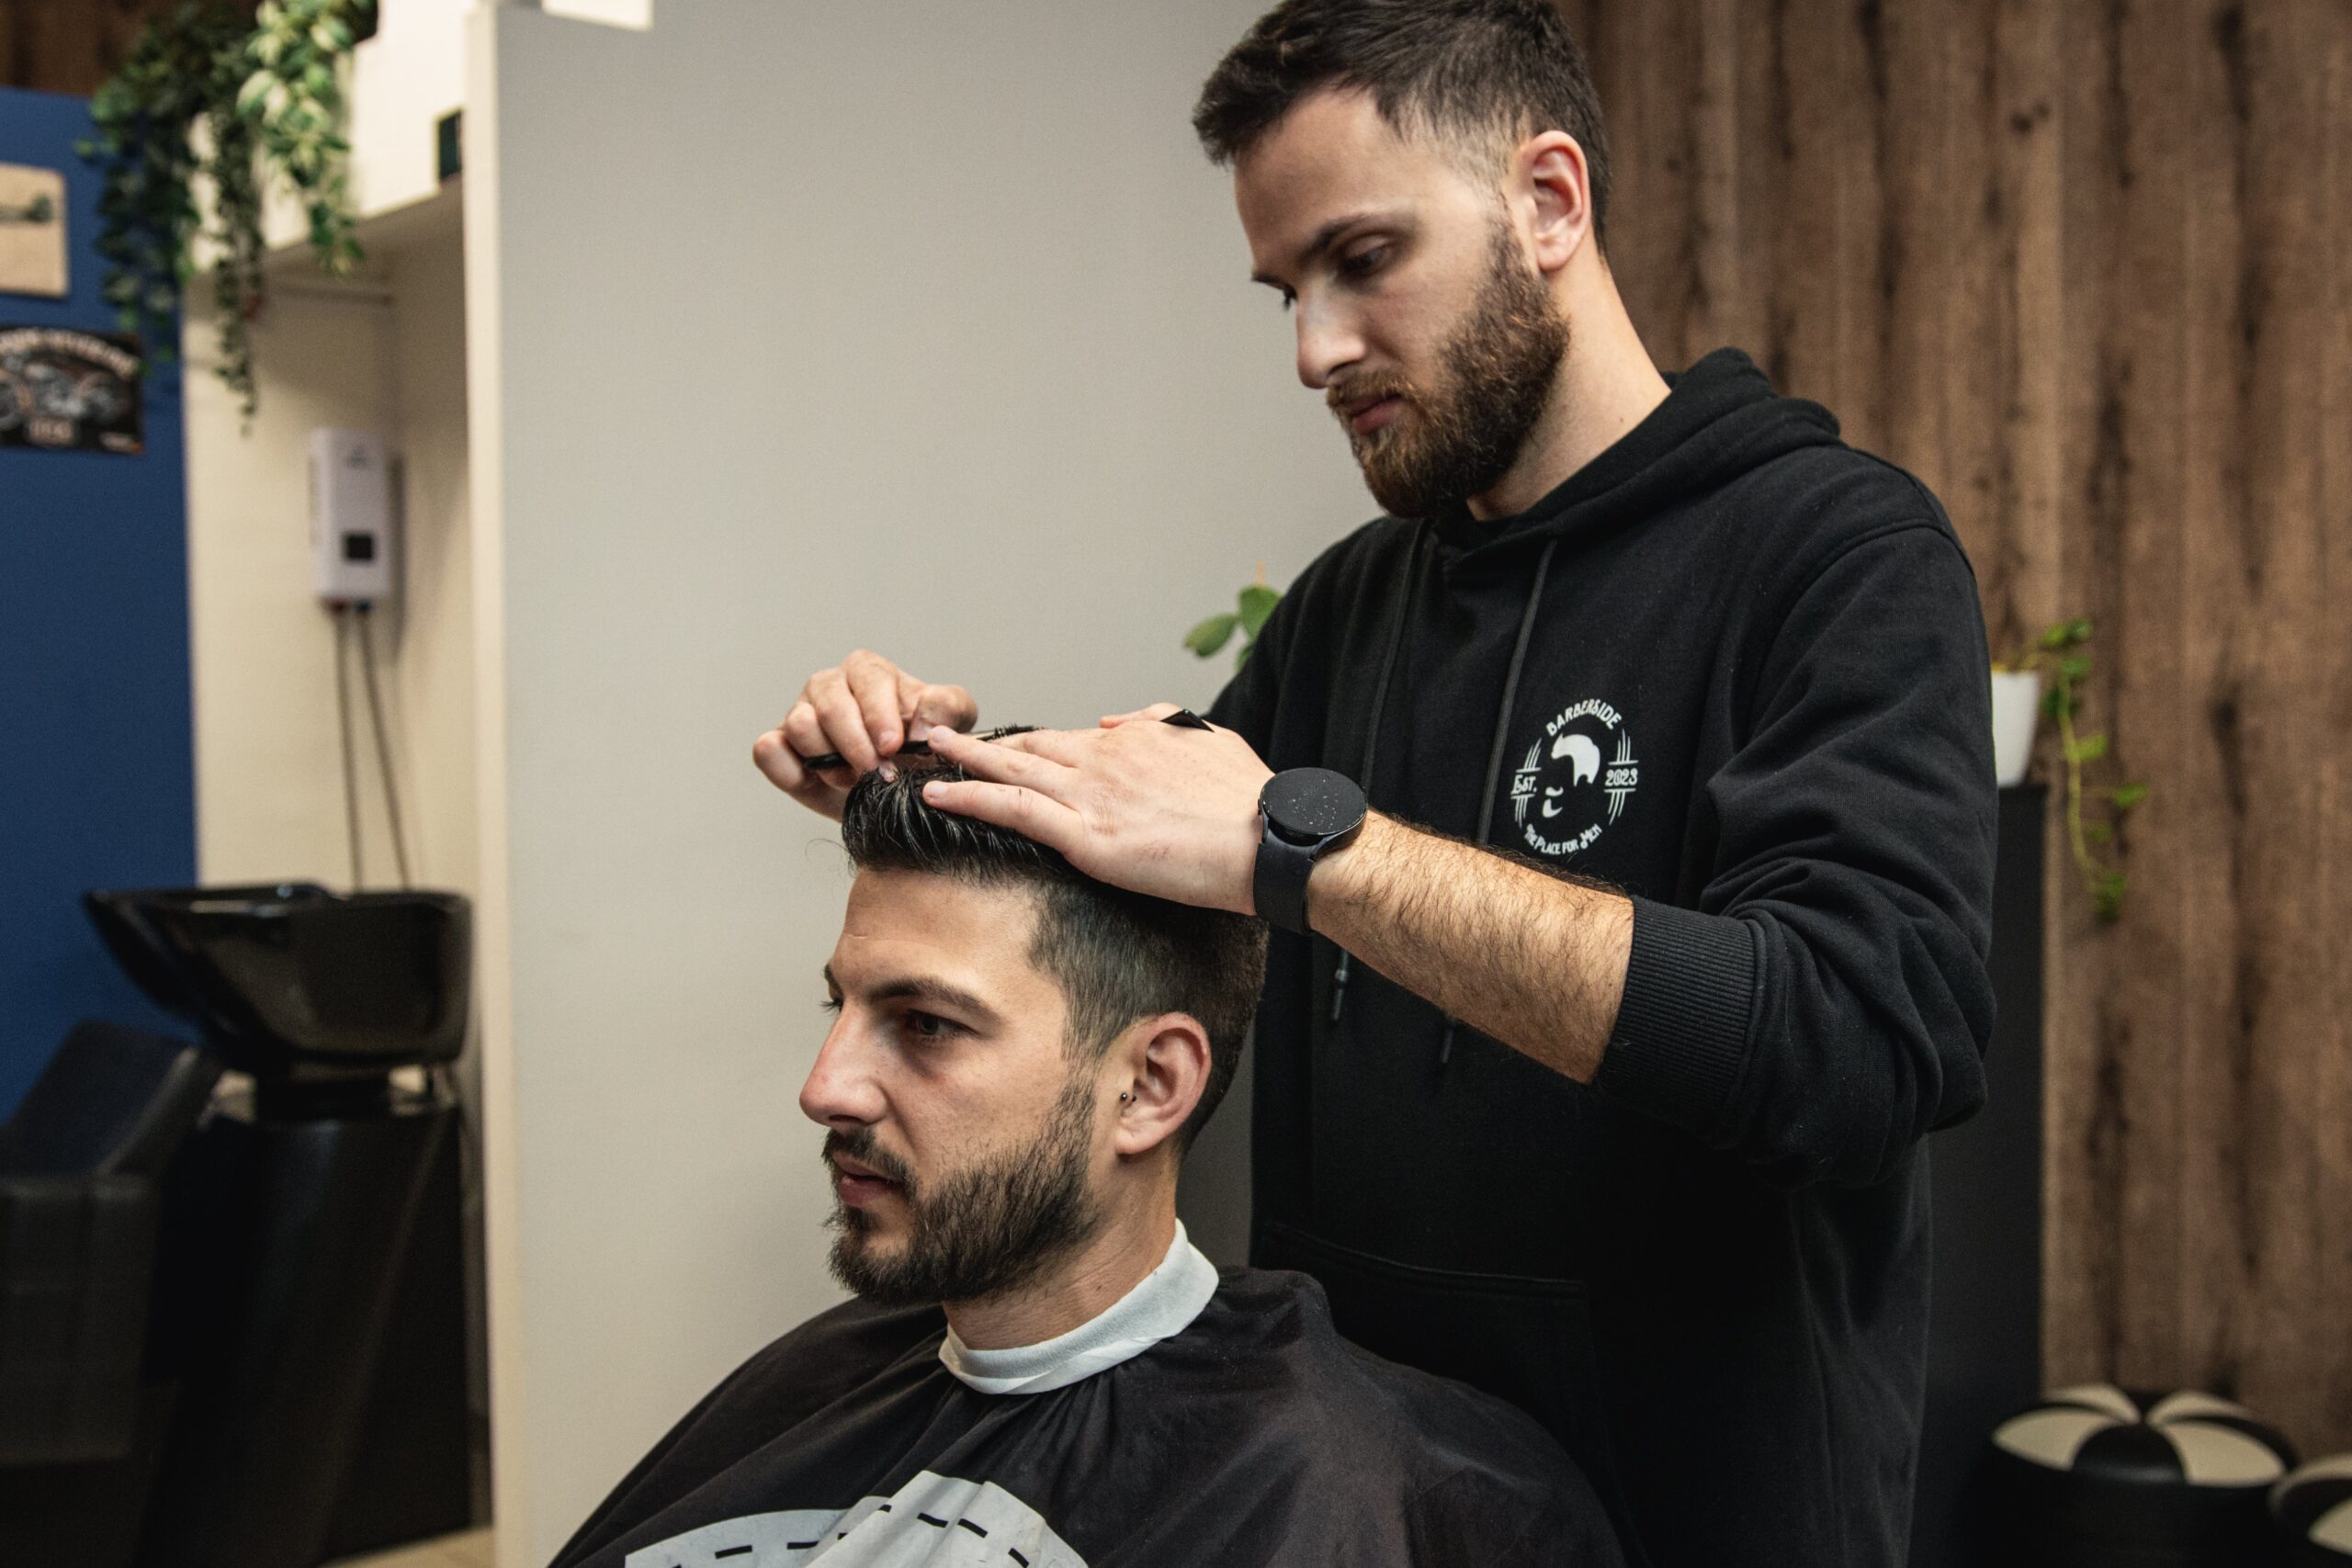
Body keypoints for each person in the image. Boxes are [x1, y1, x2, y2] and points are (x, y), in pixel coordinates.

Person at [751, 4, 1999, 1563]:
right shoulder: (1353, 604)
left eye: (1362, 260)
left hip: (1701, 1515)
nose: (1313, 349)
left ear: (1547, 201)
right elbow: (1154, 867)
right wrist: (937, 764)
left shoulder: (1834, 556)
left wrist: (1311, 849)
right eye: (1287, 289)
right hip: (1362, 1504)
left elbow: (1866, 1038)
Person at [550, 759, 1625, 1568]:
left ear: (1150, 1086)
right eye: (842, 1007)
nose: (824, 1087)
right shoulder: (830, 1380)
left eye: (924, 1024)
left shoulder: (1371, 1492)